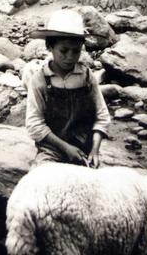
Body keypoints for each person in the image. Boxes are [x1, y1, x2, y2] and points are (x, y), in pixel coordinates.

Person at [25, 10, 110, 168]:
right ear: (50, 46)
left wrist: (95, 150)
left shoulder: (86, 77)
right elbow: (34, 124)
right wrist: (65, 148)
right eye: (63, 51)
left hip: (84, 148)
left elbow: (102, 116)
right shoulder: (40, 79)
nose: (70, 57)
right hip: (52, 149)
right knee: (40, 179)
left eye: (76, 51)